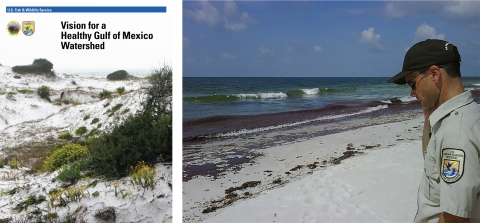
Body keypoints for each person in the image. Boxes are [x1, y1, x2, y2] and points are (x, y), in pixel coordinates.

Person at [387, 39, 480, 222]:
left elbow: (455, 218)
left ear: (434, 74)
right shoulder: (467, 113)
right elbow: (432, 163)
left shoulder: (456, 133)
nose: (411, 94)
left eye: (412, 84)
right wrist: (429, 117)